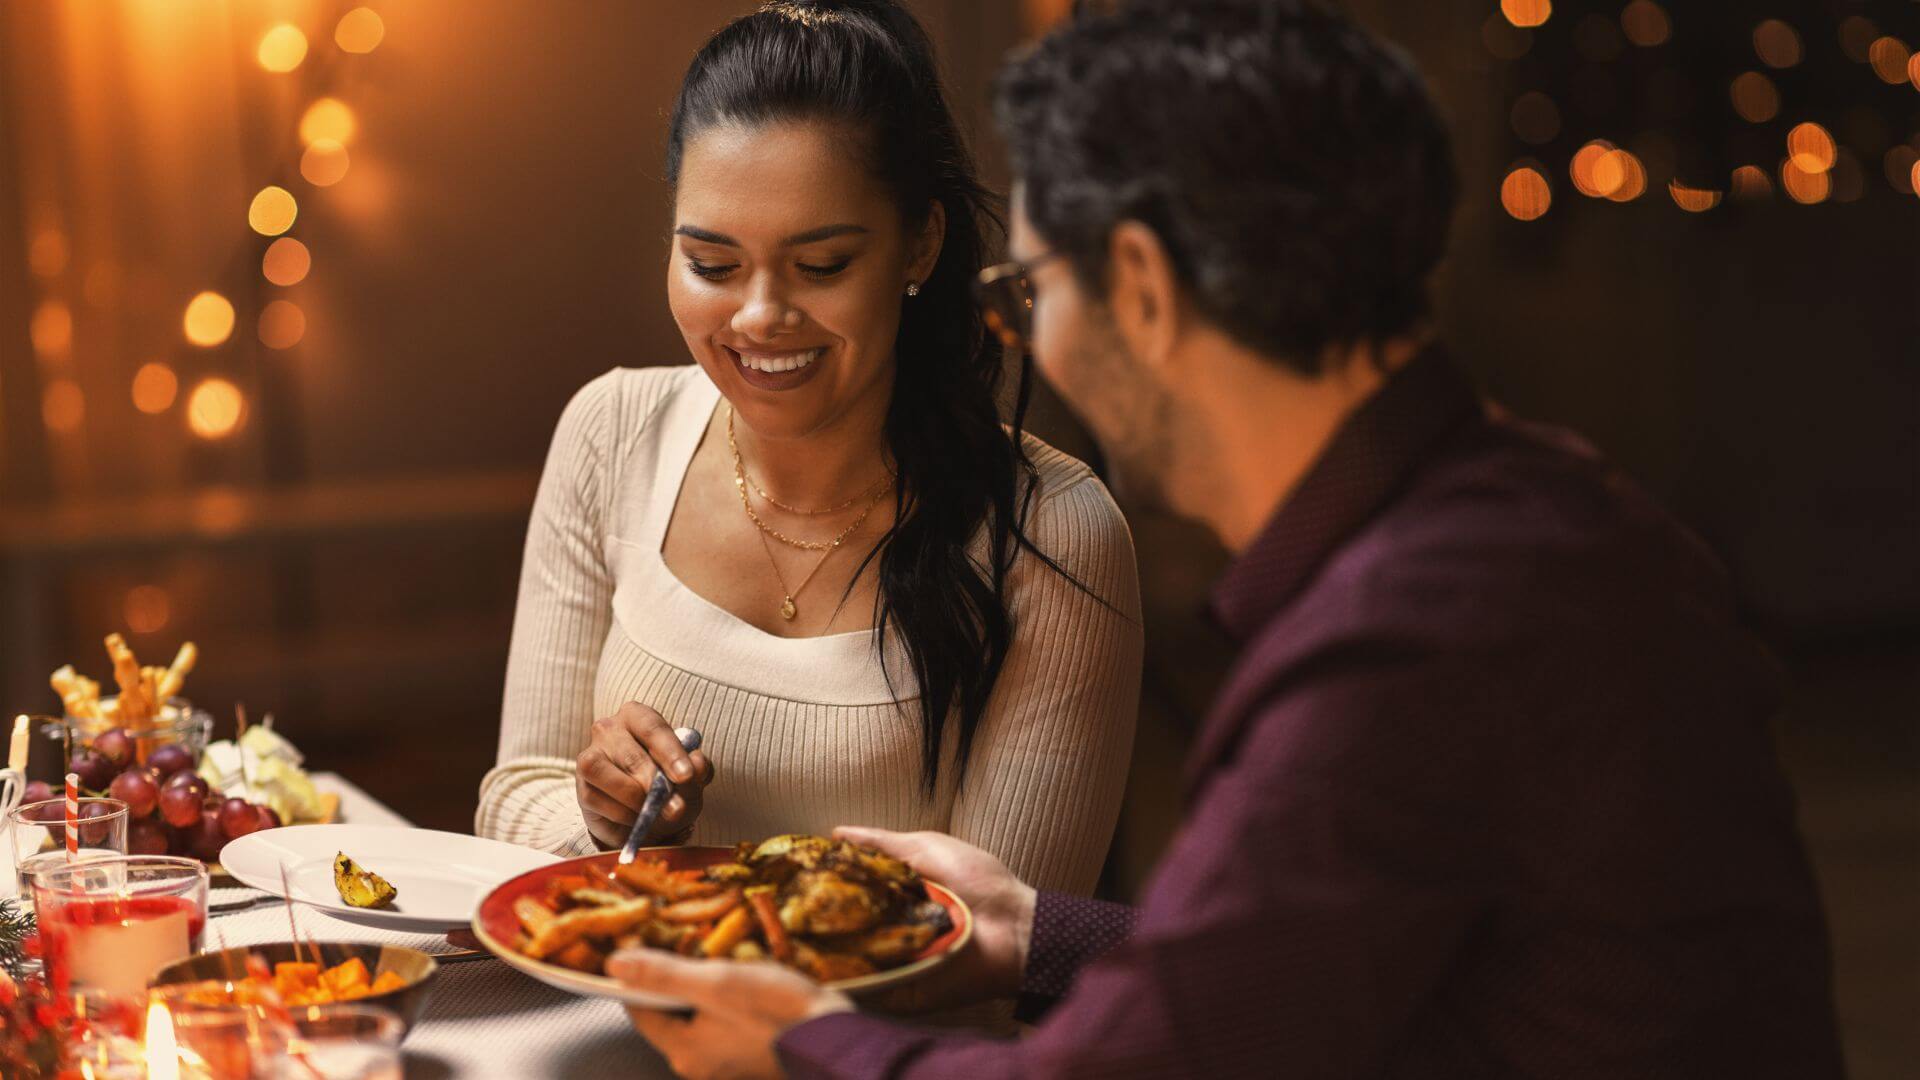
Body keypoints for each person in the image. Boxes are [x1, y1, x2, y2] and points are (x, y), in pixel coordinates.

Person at [609, 2, 1847, 1077]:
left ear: (1140, 286)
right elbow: (1333, 965)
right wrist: (1040, 931)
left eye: (1032, 290)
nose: (1028, 339)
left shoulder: (1414, 638)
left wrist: (794, 1047)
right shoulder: (1538, 520)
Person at [477, 0, 1143, 913]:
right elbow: (511, 800)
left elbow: (1000, 948)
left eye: (821, 266)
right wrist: (599, 822)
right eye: (712, 265)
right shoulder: (611, 431)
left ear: (921, 243)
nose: (758, 317)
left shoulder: (1054, 533)